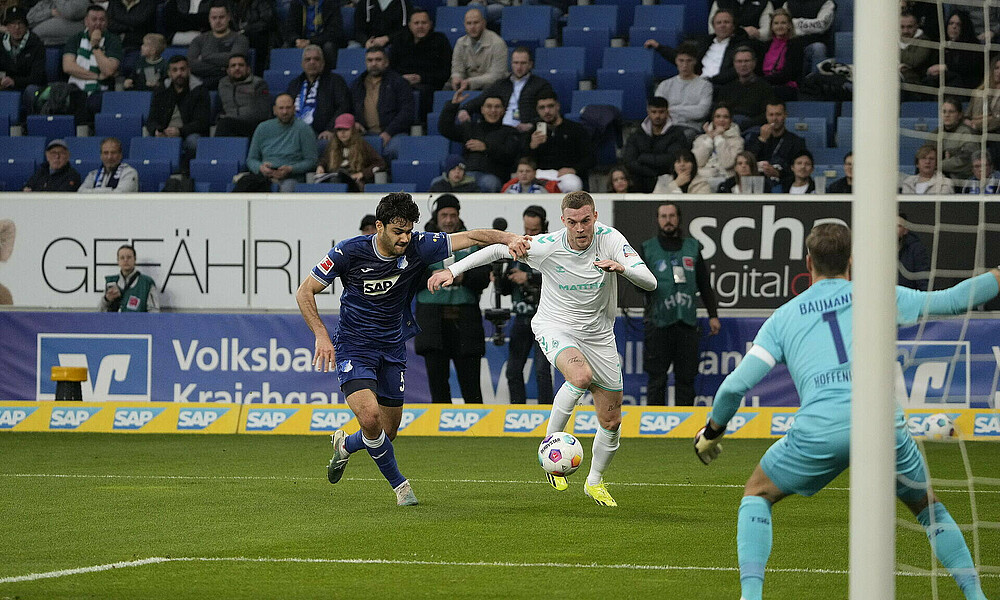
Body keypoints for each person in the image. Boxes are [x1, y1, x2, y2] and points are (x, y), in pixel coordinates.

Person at [692, 222, 998, 600]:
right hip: (881, 426)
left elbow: (734, 386)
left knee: (757, 493)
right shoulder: (877, 296)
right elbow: (951, 300)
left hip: (820, 430)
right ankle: (976, 596)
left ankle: (751, 597)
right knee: (927, 507)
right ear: (851, 261)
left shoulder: (784, 317)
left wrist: (712, 433)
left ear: (809, 262)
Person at [297, 192, 527, 506]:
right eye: (397, 232)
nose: (405, 238)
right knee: (369, 416)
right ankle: (401, 487)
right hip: (354, 346)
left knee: (386, 431)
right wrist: (321, 335)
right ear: (378, 226)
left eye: (409, 231)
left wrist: (511, 237)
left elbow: (473, 236)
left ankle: (346, 446)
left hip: (392, 347)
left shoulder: (420, 244)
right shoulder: (348, 252)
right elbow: (305, 290)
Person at [429, 191, 657, 507]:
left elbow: (650, 282)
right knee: (579, 377)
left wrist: (622, 268)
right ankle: (549, 444)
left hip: (600, 336)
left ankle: (594, 482)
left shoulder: (611, 240)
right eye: (573, 222)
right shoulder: (547, 246)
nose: (580, 228)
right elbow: (497, 249)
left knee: (612, 420)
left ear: (595, 217)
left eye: (586, 221)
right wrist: (451, 271)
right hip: (556, 326)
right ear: (563, 221)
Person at [413, 195, 490, 404]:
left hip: (465, 319)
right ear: (436, 216)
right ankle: (440, 429)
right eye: (444, 215)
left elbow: (484, 276)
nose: (448, 220)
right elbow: (410, 276)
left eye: (453, 215)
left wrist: (461, 275)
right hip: (432, 321)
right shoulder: (421, 242)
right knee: (438, 384)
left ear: (459, 216)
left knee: (471, 385)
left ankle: (477, 428)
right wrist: (434, 277)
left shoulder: (472, 240)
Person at [641, 202, 720, 406]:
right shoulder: (648, 248)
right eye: (663, 216)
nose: (668, 220)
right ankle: (654, 426)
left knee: (687, 378)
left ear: (679, 218)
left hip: (686, 323)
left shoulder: (692, 247)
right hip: (658, 323)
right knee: (657, 378)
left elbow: (704, 283)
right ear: (658, 220)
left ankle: (685, 426)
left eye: (672, 215)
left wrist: (713, 315)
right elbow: (638, 284)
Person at [496, 205, 553, 404]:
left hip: (545, 320)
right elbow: (503, 289)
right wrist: (500, 278)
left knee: (541, 371)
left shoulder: (551, 249)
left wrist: (527, 277)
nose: (529, 235)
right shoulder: (516, 248)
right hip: (521, 317)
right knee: (513, 370)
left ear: (544, 228)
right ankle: (517, 412)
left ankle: (547, 413)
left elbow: (558, 278)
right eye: (527, 230)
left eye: (535, 231)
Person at [645, 9, 750, 88]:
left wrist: (711, 81)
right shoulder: (704, 42)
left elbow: (738, 69)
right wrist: (659, 47)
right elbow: (683, 58)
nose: (722, 25)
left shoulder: (741, 45)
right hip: (697, 83)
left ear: (733, 26)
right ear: (713, 26)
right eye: (719, 23)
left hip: (724, 86)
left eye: (726, 22)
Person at [439, 90, 519, 192]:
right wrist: (453, 105)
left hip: (493, 176)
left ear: (503, 110)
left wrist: (486, 148)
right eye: (489, 106)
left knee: (489, 184)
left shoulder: (511, 132)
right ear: (482, 109)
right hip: (466, 174)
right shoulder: (471, 128)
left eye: (497, 107)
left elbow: (509, 155)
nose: (493, 110)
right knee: (437, 182)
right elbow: (445, 129)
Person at [458, 47, 553, 132]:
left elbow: (548, 112)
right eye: (516, 63)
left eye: (523, 63)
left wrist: (531, 126)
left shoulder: (541, 85)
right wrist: (464, 109)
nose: (519, 67)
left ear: (530, 64)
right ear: (511, 64)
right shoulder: (501, 84)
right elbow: (480, 100)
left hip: (526, 132)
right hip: (500, 131)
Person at [147, 55, 210, 169]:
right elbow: (151, 119)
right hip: (165, 133)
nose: (179, 73)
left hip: (188, 133)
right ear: (169, 73)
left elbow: (202, 122)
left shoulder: (199, 90)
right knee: (146, 141)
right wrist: (157, 130)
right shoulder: (161, 90)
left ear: (189, 70)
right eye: (175, 70)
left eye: (182, 69)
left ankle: (186, 174)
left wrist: (180, 131)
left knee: (194, 142)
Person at [246, 93, 319, 192]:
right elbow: (251, 159)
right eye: (281, 108)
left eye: (288, 108)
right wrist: (260, 168)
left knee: (285, 190)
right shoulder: (262, 128)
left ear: (294, 109)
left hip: (292, 178)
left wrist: (291, 169)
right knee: (244, 185)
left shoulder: (304, 129)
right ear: (274, 110)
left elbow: (312, 161)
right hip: (264, 176)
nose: (285, 112)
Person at [62, 4, 121, 124]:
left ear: (107, 22)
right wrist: (96, 76)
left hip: (100, 89)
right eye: (94, 19)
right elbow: (68, 67)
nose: (98, 23)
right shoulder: (75, 39)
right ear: (86, 21)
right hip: (75, 87)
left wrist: (95, 46)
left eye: (102, 20)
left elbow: (109, 70)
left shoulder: (113, 40)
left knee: (93, 101)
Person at [349, 46, 414, 156]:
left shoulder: (398, 82)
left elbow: (407, 112)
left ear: (386, 62)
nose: (374, 64)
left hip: (395, 133)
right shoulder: (357, 84)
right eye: (370, 60)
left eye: (378, 60)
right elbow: (348, 108)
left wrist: (389, 132)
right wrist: (354, 122)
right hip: (365, 133)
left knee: (393, 151)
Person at [387, 8, 451, 120]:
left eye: (424, 23)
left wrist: (421, 78)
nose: (420, 26)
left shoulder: (440, 40)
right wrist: (402, 78)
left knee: (424, 92)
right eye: (416, 23)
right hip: (401, 82)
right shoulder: (399, 41)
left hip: (429, 84)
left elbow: (445, 72)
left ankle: (422, 126)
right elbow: (390, 68)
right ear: (410, 25)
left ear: (430, 24)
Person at [524, 91, 593, 193]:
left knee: (573, 184)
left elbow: (590, 157)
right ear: (537, 110)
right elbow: (524, 161)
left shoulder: (575, 129)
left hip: (566, 175)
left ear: (557, 106)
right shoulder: (533, 133)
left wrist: (573, 169)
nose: (547, 111)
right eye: (542, 108)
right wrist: (532, 147)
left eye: (550, 106)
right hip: (541, 175)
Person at [621, 96, 692, 193]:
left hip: (669, 180)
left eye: (661, 112)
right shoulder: (637, 134)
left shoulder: (677, 134)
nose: (657, 116)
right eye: (654, 112)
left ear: (667, 112)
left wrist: (643, 158)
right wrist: (651, 173)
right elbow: (629, 161)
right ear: (648, 111)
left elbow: (673, 159)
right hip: (640, 182)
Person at [286, 44, 351, 141]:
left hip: (321, 133)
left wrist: (330, 129)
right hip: (293, 133)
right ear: (302, 64)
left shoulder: (335, 81)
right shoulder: (294, 84)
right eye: (308, 59)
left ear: (323, 63)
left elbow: (344, 107)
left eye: (316, 59)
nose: (312, 62)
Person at [652, 42, 713, 136]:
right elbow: (658, 111)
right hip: (666, 127)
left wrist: (671, 109)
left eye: (689, 61)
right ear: (676, 61)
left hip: (690, 128)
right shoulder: (665, 85)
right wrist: (687, 111)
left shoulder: (705, 86)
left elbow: (701, 112)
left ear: (695, 61)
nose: (685, 65)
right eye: (681, 61)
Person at [186, 0, 249, 91]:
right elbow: (191, 64)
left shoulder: (240, 39)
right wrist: (222, 68)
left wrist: (204, 57)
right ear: (209, 19)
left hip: (230, 82)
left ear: (228, 17)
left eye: (221, 17)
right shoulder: (199, 40)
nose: (218, 21)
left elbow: (235, 61)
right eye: (214, 18)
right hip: (201, 80)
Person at [744, 100, 806, 189]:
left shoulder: (796, 141)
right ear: (766, 116)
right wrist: (761, 140)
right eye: (771, 115)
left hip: (785, 186)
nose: (774, 119)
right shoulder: (754, 138)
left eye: (778, 114)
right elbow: (746, 161)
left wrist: (778, 173)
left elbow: (800, 169)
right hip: (756, 184)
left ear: (785, 115)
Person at [315, 113, 385, 190]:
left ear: (353, 130)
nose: (342, 133)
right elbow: (324, 160)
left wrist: (362, 174)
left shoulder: (362, 145)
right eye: (339, 129)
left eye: (346, 129)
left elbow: (380, 163)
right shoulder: (332, 146)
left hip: (355, 183)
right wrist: (320, 166)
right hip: (335, 180)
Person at [922, 9, 983, 91]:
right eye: (951, 23)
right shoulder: (939, 44)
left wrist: (946, 67)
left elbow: (969, 67)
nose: (954, 27)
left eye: (958, 24)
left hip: (964, 86)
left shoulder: (973, 46)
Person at [448, 8, 507, 91]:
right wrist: (456, 77)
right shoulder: (460, 43)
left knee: (489, 88)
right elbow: (457, 68)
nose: (472, 27)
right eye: (469, 23)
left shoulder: (498, 43)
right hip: (467, 83)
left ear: (484, 23)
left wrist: (470, 81)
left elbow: (496, 75)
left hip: (489, 84)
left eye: (476, 23)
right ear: (465, 25)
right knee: (448, 86)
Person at [715, 46, 775, 129]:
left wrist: (747, 124)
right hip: (728, 127)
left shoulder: (765, 87)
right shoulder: (726, 88)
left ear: (754, 62)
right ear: (734, 64)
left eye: (747, 61)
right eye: (739, 61)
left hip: (752, 128)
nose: (743, 65)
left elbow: (768, 114)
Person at [281, 0, 346, 75]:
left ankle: (328, 77)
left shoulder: (331, 3)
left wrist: (310, 41)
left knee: (329, 47)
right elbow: (289, 29)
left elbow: (334, 32)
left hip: (323, 41)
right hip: (302, 41)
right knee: (285, 47)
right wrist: (296, 40)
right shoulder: (297, 4)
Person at [215, 52, 271, 138]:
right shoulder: (223, 84)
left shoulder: (259, 84)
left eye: (241, 65)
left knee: (224, 124)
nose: (237, 68)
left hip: (253, 125)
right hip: (230, 124)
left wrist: (235, 118)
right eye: (233, 66)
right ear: (228, 70)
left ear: (248, 69)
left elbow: (264, 112)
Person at [0, 6, 46, 98]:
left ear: (26, 26)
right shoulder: (1, 43)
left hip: (27, 86)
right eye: (12, 24)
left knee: (32, 90)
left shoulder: (36, 44)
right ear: (7, 27)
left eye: (20, 23)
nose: (17, 27)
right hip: (6, 86)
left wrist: (14, 81)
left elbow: (37, 77)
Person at [692, 103, 743, 184]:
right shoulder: (701, 138)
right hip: (702, 180)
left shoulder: (737, 141)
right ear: (713, 119)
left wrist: (718, 138)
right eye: (718, 116)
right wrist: (709, 139)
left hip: (725, 181)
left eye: (725, 117)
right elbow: (697, 162)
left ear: (731, 120)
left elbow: (727, 163)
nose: (721, 120)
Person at [99, 244, 160, 312]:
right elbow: (100, 311)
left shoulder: (147, 283)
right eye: (122, 258)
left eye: (129, 257)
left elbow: (154, 312)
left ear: (135, 259)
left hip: (137, 322)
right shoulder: (110, 282)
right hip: (114, 322)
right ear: (118, 261)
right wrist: (107, 299)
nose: (125, 260)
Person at [759, 8, 803, 101]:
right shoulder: (765, 45)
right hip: (765, 84)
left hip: (785, 86)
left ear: (789, 25)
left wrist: (762, 81)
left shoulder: (795, 45)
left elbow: (788, 74)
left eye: (783, 23)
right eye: (776, 23)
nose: (779, 26)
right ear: (771, 26)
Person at [782, 0, 835, 74]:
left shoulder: (827, 3)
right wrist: (807, 28)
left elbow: (821, 26)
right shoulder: (788, 3)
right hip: (792, 42)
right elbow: (783, 23)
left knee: (818, 48)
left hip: (813, 42)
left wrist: (795, 23)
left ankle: (815, 81)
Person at [936, 97, 978, 182]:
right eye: (944, 112)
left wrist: (936, 165)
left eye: (951, 112)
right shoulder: (935, 133)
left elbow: (966, 161)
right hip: (938, 177)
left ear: (959, 115)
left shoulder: (966, 133)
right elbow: (924, 155)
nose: (947, 115)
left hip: (962, 181)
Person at [106, 0, 156, 69]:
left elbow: (139, 21)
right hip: (114, 44)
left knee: (129, 66)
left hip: (137, 45)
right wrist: (129, 27)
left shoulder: (148, 3)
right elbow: (109, 23)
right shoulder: (114, 2)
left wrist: (117, 17)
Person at [708, 0, 774, 43]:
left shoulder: (764, 3)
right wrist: (741, 32)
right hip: (724, 44)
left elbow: (767, 32)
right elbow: (712, 30)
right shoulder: (720, 2)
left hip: (752, 45)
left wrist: (757, 33)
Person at [898, 213, 930, 291]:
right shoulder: (875, 249)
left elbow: (923, 283)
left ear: (905, 230)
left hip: (907, 300)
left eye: (898, 226)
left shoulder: (916, 250)